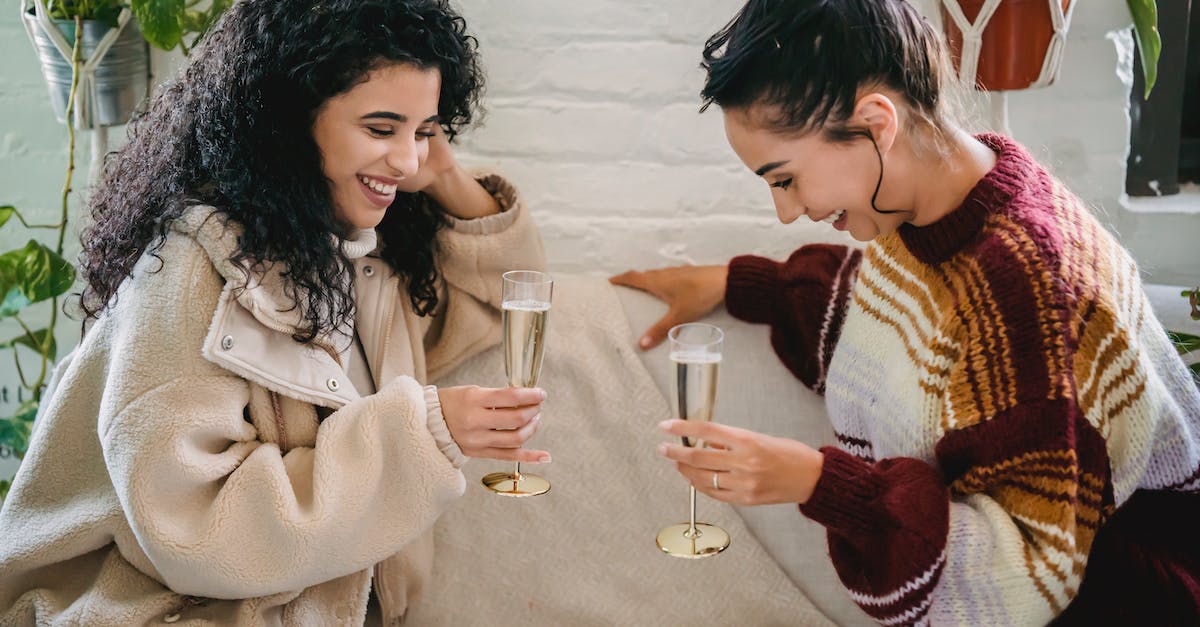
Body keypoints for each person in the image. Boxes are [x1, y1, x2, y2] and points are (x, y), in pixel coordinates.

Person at [613, 0, 1200, 624]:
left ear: (874, 123)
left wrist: (820, 483)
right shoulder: (937, 203)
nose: (786, 212)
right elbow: (918, 336)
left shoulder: (1027, 285)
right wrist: (743, 284)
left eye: (784, 179)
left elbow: (1029, 570)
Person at [0, 0, 549, 623]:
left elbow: (512, 295)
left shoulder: (365, 252)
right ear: (291, 121)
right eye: (380, 128)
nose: (407, 162)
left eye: (423, 131)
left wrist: (445, 174)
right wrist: (423, 435)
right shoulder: (191, 274)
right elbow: (196, 530)